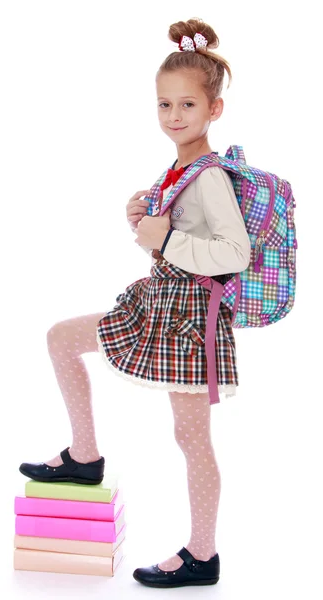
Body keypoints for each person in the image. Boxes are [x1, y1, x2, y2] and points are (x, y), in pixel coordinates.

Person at [19, 17, 251, 587]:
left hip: (189, 321)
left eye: (187, 105)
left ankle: (202, 554)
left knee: (192, 439)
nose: (174, 116)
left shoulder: (210, 175)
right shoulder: (182, 168)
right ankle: (85, 454)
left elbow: (234, 252)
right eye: (164, 104)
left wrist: (165, 238)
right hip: (158, 305)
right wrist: (149, 214)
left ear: (214, 110)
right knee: (61, 339)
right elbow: (182, 230)